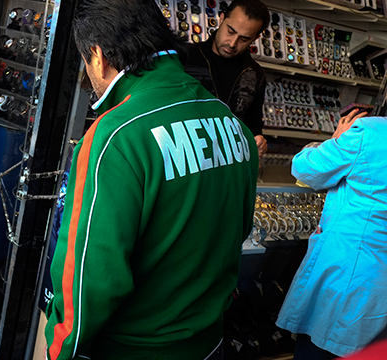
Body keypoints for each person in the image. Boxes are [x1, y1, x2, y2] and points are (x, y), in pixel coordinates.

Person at [44, 0, 259, 359]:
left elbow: (88, 279)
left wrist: (57, 350)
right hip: (209, 341)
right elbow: (239, 227)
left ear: (97, 56)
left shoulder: (115, 136)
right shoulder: (232, 124)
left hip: (135, 348)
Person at [275, 108, 387, 359]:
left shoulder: (368, 132)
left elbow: (306, 169)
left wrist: (334, 139)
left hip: (349, 275)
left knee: (323, 345)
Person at [185, 0, 270, 157]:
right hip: (184, 160)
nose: (232, 43)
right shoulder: (185, 58)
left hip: (227, 164)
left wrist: (258, 140)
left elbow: (253, 126)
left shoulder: (255, 74)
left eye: (244, 39)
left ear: (256, 37)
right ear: (222, 18)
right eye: (230, 31)